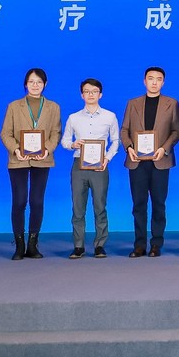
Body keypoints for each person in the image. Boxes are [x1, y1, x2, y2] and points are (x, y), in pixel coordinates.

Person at [0, 68, 61, 260]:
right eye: (31, 82)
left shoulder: (53, 107)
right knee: (19, 201)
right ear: (25, 84)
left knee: (37, 201)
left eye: (39, 82)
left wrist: (47, 149)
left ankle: (33, 244)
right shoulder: (13, 106)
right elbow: (5, 133)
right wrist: (16, 149)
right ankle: (19, 245)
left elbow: (56, 133)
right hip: (18, 158)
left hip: (42, 159)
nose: (35, 85)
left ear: (45, 84)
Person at [120, 66, 179, 258]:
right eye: (151, 78)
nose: (154, 82)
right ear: (144, 81)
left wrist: (164, 149)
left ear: (163, 82)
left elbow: (176, 131)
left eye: (158, 79)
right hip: (137, 161)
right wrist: (129, 148)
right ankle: (139, 245)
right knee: (138, 204)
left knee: (159, 204)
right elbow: (124, 130)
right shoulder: (133, 103)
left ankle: (156, 244)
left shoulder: (172, 103)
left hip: (160, 160)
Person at [60, 78, 120, 259]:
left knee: (100, 206)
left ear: (100, 94)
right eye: (87, 91)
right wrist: (73, 144)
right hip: (79, 165)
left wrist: (107, 158)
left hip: (100, 166)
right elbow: (64, 141)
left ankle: (100, 245)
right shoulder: (73, 118)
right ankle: (78, 246)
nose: (90, 94)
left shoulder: (110, 116)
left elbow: (116, 141)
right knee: (78, 207)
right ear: (82, 95)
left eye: (94, 91)